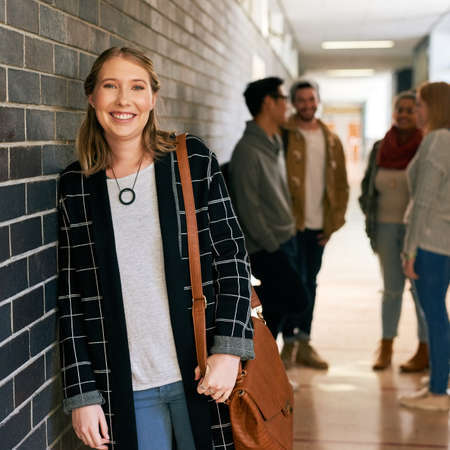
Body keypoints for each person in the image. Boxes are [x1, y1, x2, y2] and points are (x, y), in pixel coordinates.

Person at [57, 47, 254, 450]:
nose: (124, 100)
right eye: (110, 86)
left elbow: (232, 258)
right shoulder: (75, 184)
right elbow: (72, 295)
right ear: (92, 97)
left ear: (152, 99)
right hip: (125, 385)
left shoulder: (191, 161)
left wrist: (230, 351)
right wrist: (82, 395)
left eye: (137, 87)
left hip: (202, 372)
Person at [228, 77, 309, 347]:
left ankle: (269, 378)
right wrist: (273, 246)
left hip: (286, 240)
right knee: (288, 305)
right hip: (267, 248)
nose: (288, 106)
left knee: (281, 309)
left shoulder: (273, 143)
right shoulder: (247, 151)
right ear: (268, 103)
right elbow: (248, 209)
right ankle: (260, 379)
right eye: (283, 99)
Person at [282, 80, 349, 369]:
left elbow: (341, 184)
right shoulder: (283, 134)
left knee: (311, 282)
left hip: (318, 226)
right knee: (289, 284)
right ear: (294, 103)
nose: (307, 105)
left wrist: (333, 224)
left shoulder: (330, 139)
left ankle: (305, 342)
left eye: (311, 99)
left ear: (318, 101)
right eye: (301, 100)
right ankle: (288, 343)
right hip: (290, 226)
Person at [359, 91, 428, 372]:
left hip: (419, 231)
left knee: (421, 291)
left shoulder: (426, 147)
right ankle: (386, 347)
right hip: (386, 228)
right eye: (400, 109)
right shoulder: (379, 147)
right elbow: (367, 187)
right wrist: (370, 212)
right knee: (391, 290)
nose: (404, 114)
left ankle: (425, 349)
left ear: (419, 114)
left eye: (410, 110)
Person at [399, 81, 450, 411]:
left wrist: (409, 250)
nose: (416, 110)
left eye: (419, 104)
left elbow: (423, 201)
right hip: (440, 241)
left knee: (435, 317)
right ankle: (437, 380)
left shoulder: (438, 139)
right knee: (436, 316)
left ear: (434, 106)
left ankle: (437, 393)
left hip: (431, 243)